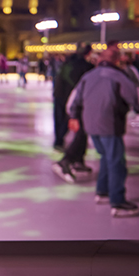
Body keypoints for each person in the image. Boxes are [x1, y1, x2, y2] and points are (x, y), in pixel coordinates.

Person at [67, 42, 139, 217]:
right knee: (117, 162)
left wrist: (74, 116)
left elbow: (73, 100)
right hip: (109, 123)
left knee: (106, 157)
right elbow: (135, 96)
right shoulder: (119, 76)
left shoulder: (88, 75)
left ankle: (103, 191)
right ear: (117, 60)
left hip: (90, 124)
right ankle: (118, 201)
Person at [51, 44, 94, 183]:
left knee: (71, 125)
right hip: (74, 100)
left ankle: (76, 159)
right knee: (81, 130)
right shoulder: (86, 67)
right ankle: (68, 160)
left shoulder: (68, 63)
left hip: (61, 96)